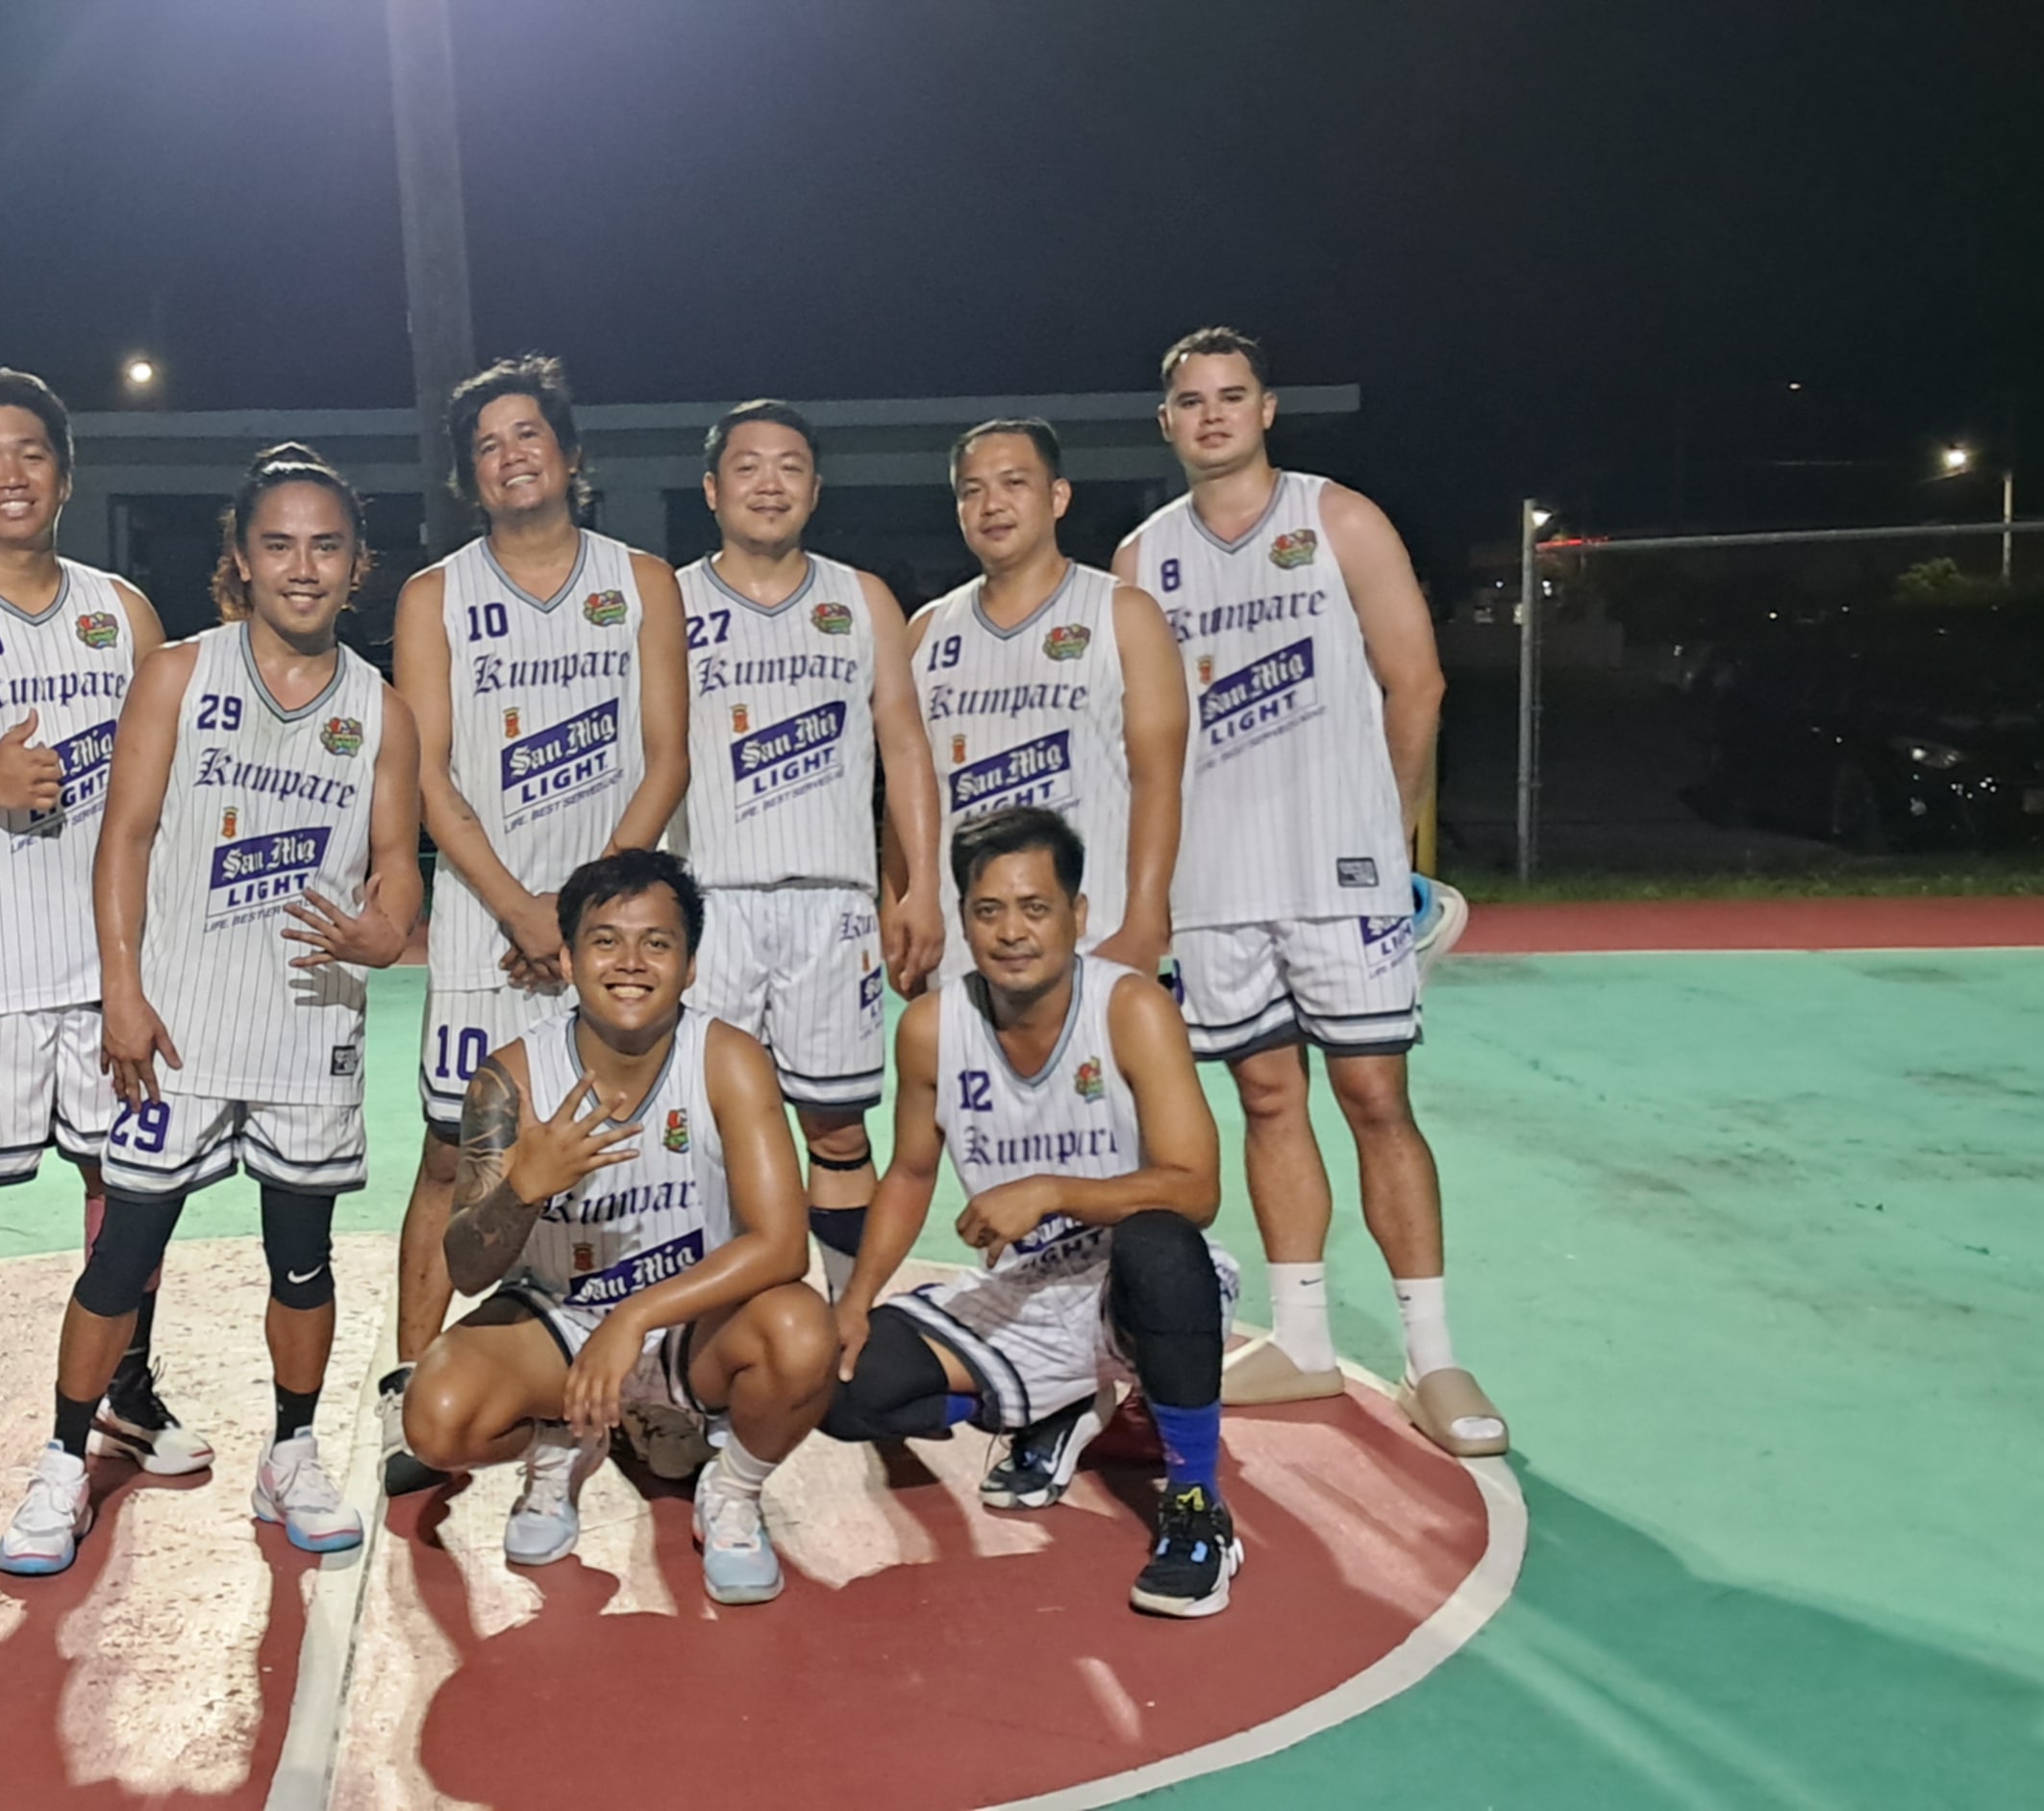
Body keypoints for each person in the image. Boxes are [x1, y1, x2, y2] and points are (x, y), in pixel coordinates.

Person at [0, 443, 423, 1577]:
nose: (303, 566)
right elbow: (122, 840)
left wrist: (389, 925)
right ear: (240, 558)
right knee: (120, 1256)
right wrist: (122, 988)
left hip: (306, 1026)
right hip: (176, 1028)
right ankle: (61, 1457)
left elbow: (398, 868)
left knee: (303, 1260)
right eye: (278, 544)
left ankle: (291, 1452)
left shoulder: (380, 707)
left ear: (357, 565)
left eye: (326, 545)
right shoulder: (180, 674)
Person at [1116, 327, 1503, 1459]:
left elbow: (1416, 682)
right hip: (1216, 884)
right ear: (1168, 423)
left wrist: (1386, 841)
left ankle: (1435, 1357)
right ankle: (1302, 1336)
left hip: (1340, 876)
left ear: (1268, 409)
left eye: (1232, 397)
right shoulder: (1144, 559)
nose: (1213, 416)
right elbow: (1141, 737)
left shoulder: (1338, 520)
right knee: (1268, 1101)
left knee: (1377, 1099)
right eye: (1191, 402)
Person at [0, 368, 202, 1517]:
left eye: (31, 453)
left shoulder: (125, 613)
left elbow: (172, 791)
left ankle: (124, 1382)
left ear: (65, 474)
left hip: (108, 961)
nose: (10, 475)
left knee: (128, 1180)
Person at [381, 354, 690, 1496]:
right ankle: (412, 1388)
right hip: (484, 924)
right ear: (474, 478)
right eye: (489, 447)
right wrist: (517, 905)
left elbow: (668, 755)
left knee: (643, 1150)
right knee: (452, 1160)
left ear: (570, 455)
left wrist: (589, 910)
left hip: (614, 926)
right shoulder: (434, 596)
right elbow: (428, 771)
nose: (512, 458)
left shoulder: (641, 580)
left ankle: (658, 1386)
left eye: (529, 437)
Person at [824, 807, 1240, 1617]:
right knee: (838, 1387)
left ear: (1077, 917)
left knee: (1159, 1242)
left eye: (1035, 908)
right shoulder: (933, 1028)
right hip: (1023, 1298)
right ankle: (1054, 1403)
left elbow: (1196, 1188)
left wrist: (1053, 1190)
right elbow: (910, 1173)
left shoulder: (1130, 1010)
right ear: (966, 919)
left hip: (1144, 1291)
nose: (1012, 932)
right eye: (989, 911)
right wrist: (855, 1300)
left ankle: (1197, 1505)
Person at [398, 849, 839, 1606]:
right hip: (560, 1323)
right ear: (567, 959)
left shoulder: (728, 1060)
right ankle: (560, 1445)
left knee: (804, 1334)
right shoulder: (513, 1080)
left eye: (657, 943)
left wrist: (633, 1318)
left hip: (689, 1325)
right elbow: (469, 1268)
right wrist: (524, 1190)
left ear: (691, 964)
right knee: (435, 1416)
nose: (630, 962)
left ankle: (732, 1491)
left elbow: (781, 1245)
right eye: (605, 941)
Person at [670, 400, 942, 1297]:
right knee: (705, 1125)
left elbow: (905, 748)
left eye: (789, 465)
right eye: (748, 466)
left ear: (815, 489)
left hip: (833, 904)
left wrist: (922, 888)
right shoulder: (667, 603)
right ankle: (714, 1317)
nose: (769, 482)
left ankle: (848, 1317)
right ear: (712, 489)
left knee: (835, 1125)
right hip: (708, 903)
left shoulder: (860, 599)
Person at [910, 419, 1188, 990]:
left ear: (1057, 497)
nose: (992, 504)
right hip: (967, 944)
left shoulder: (1125, 613)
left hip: (1098, 931)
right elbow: (911, 799)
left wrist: (1144, 920)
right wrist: (908, 903)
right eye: (973, 490)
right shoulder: (926, 633)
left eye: (1014, 483)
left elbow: (1159, 781)